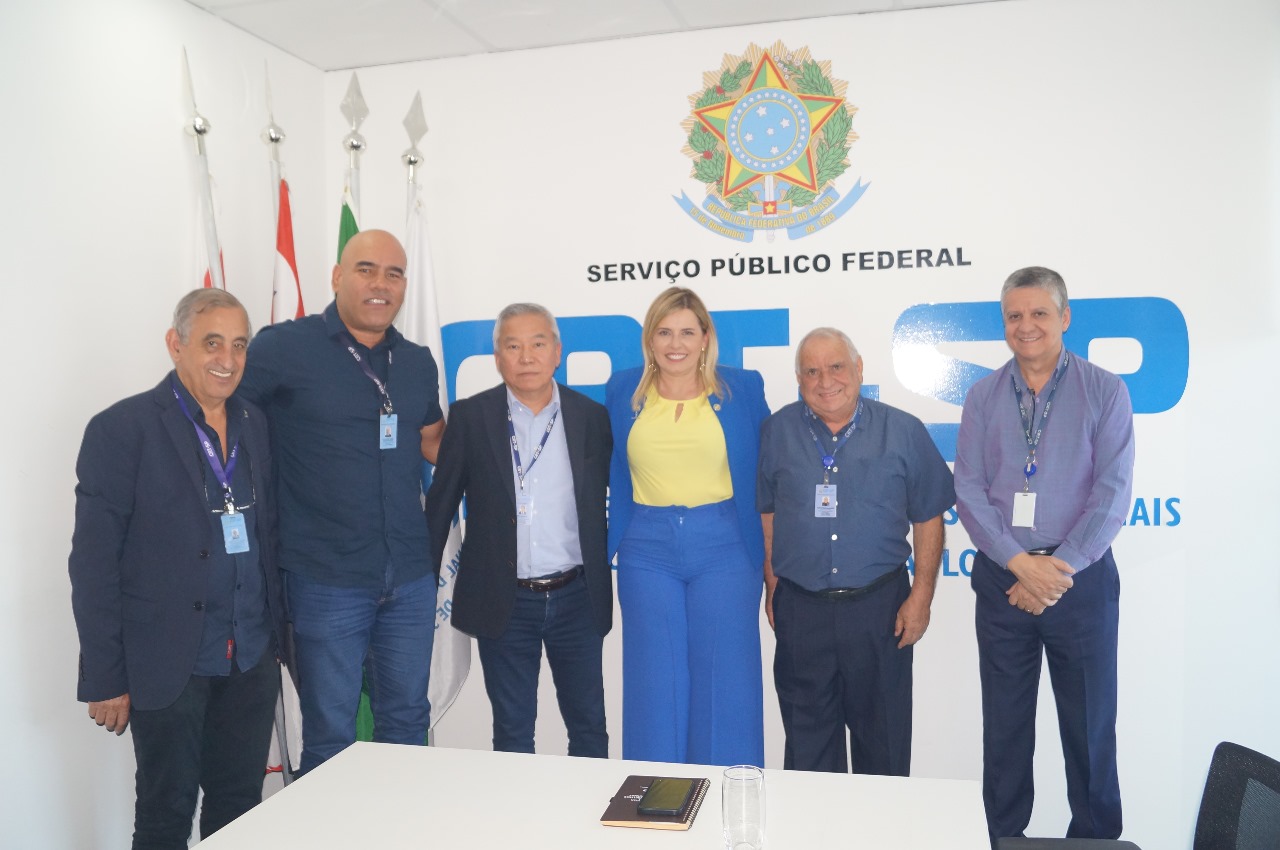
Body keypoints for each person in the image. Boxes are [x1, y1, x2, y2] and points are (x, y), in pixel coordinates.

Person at [69, 289, 286, 848]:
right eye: (213, 343)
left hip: (249, 657)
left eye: (239, 345)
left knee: (240, 807)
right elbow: (93, 564)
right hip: (168, 662)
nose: (228, 360)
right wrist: (106, 676)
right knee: (165, 813)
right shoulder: (123, 429)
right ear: (176, 344)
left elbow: (269, 535)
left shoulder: (256, 423)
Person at [237, 229, 445, 774]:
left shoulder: (418, 362)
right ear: (336, 277)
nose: (381, 284)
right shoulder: (283, 348)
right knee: (330, 733)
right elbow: (222, 417)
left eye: (394, 274)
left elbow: (433, 440)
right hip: (325, 577)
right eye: (366, 269)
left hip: (409, 575)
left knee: (407, 720)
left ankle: (399, 819)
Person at [954, 266, 1134, 844]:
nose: (1025, 325)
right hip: (1003, 579)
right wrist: (1018, 563)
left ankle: (1096, 839)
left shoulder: (1105, 390)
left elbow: (1113, 493)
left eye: (1038, 313)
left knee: (1089, 727)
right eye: (1014, 316)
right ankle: (1002, 837)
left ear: (1065, 317)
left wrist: (1055, 572)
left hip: (1078, 582)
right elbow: (969, 490)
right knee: (1004, 728)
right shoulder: (983, 396)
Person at [757, 328, 954, 776]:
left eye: (836, 367)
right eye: (811, 371)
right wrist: (773, 586)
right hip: (801, 610)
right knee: (808, 751)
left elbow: (929, 516)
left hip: (880, 610)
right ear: (799, 379)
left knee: (883, 747)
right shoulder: (777, 432)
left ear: (859, 368)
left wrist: (921, 596)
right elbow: (768, 512)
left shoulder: (903, 431)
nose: (825, 381)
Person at [426, 304, 612, 757]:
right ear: (498, 358)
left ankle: (591, 804)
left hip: (576, 597)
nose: (526, 357)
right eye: (513, 346)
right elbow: (441, 505)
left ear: (557, 352)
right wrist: (419, 586)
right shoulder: (470, 417)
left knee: (589, 727)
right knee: (512, 732)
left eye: (538, 344)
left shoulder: (590, 416)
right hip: (504, 600)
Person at [605, 286, 769, 766]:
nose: (675, 344)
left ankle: (726, 794)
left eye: (686, 332)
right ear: (650, 340)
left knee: (727, 680)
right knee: (654, 681)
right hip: (646, 548)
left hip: (725, 546)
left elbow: (771, 468)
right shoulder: (622, 389)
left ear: (705, 339)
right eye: (664, 332)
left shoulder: (742, 388)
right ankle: (656, 796)